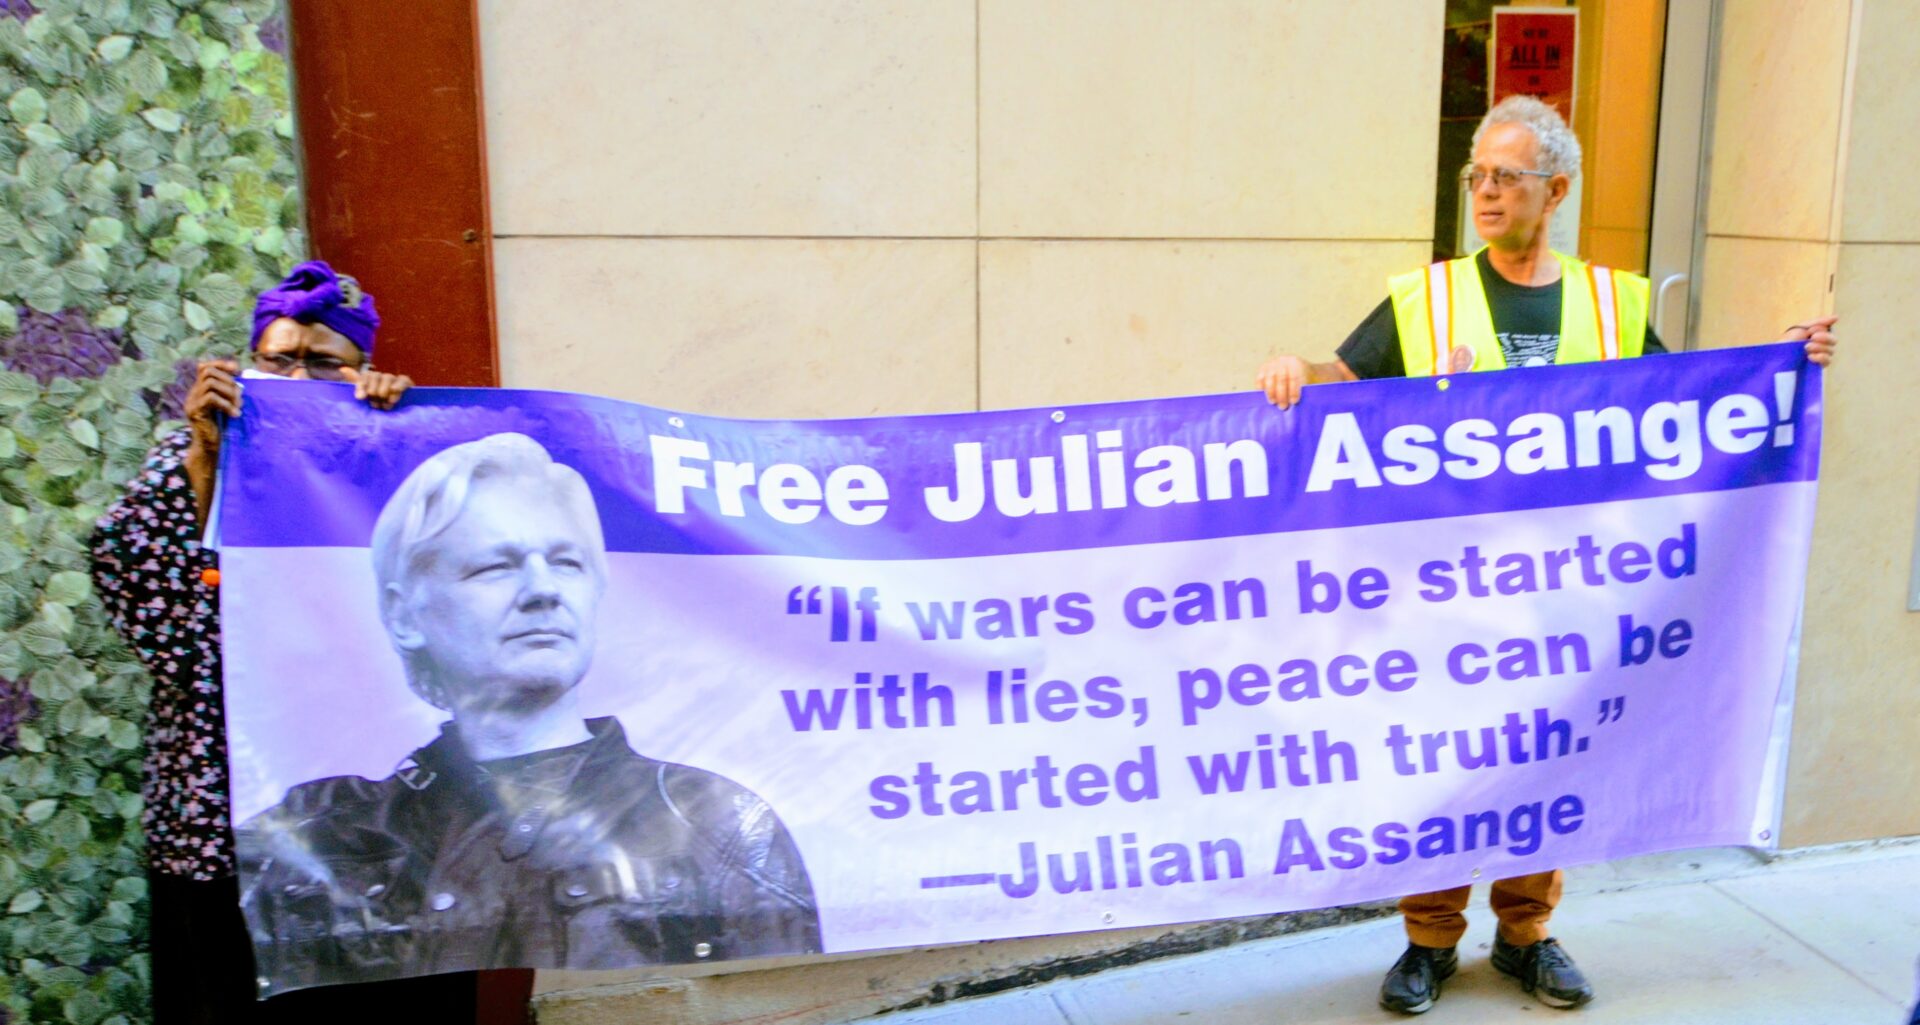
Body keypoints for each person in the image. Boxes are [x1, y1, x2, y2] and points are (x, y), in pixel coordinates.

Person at [1253, 96, 1838, 1015]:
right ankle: (1429, 939)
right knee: (1448, 758)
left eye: (1505, 176)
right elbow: (1345, 377)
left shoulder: (1612, 303)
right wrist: (1298, 369)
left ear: (1555, 190)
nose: (1485, 192)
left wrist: (1785, 364)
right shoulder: (1427, 297)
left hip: (1570, 588)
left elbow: (1685, 404)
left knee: (1552, 756)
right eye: (1475, 175)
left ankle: (1525, 932)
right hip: (1450, 586)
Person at [235, 432, 822, 994]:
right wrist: (208, 477)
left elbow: (786, 1006)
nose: (544, 590)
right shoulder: (321, 829)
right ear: (404, 615)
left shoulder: (713, 821)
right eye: (495, 566)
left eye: (567, 562)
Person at [91, 261, 459, 1022]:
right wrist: (205, 459)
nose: (297, 378)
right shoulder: (195, 452)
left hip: (373, 819)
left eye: (323, 363)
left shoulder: (389, 454)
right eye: (279, 359)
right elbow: (157, 615)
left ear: (362, 368)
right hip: (225, 814)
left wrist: (395, 435)